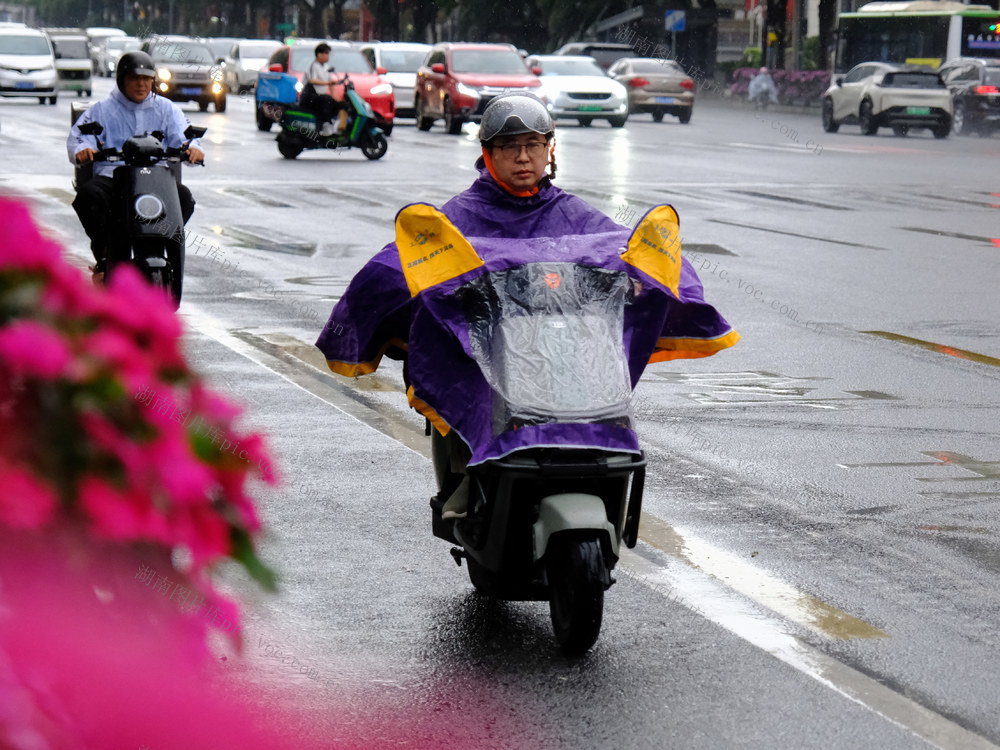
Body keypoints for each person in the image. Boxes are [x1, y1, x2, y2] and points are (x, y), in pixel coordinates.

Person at [315, 92, 739, 519]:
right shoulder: (458, 215)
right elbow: (398, 264)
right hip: (486, 354)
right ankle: (468, 478)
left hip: (563, 352)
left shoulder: (572, 212)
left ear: (549, 150)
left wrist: (639, 279)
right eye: (510, 146)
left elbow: (620, 248)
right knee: (456, 364)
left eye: (534, 145)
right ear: (488, 153)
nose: (523, 157)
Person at [68, 51, 204, 283]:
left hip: (156, 180)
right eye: (134, 78)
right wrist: (83, 150)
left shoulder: (167, 109)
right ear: (122, 80)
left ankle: (159, 243)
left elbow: (185, 137)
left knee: (185, 198)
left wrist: (193, 149)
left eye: (146, 79)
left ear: (153, 81)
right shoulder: (102, 110)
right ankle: (105, 256)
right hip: (114, 179)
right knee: (88, 196)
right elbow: (80, 137)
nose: (141, 84)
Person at [300, 43, 344, 137]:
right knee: (326, 100)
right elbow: (312, 80)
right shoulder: (313, 66)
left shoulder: (326, 67)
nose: (328, 56)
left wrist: (335, 96)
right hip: (309, 96)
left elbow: (330, 82)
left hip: (319, 97)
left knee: (339, 104)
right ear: (319, 54)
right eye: (326, 53)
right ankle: (325, 125)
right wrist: (327, 83)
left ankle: (335, 125)